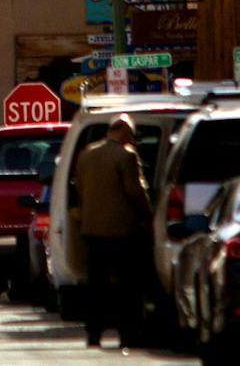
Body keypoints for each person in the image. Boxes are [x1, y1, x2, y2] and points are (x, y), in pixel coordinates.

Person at [71, 115, 152, 349]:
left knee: (96, 284)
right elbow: (134, 191)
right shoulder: (126, 156)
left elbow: (81, 188)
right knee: (127, 286)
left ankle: (93, 332)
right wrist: (147, 215)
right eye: (131, 136)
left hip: (92, 229)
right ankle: (128, 334)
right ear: (125, 132)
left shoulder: (86, 154)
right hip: (122, 230)